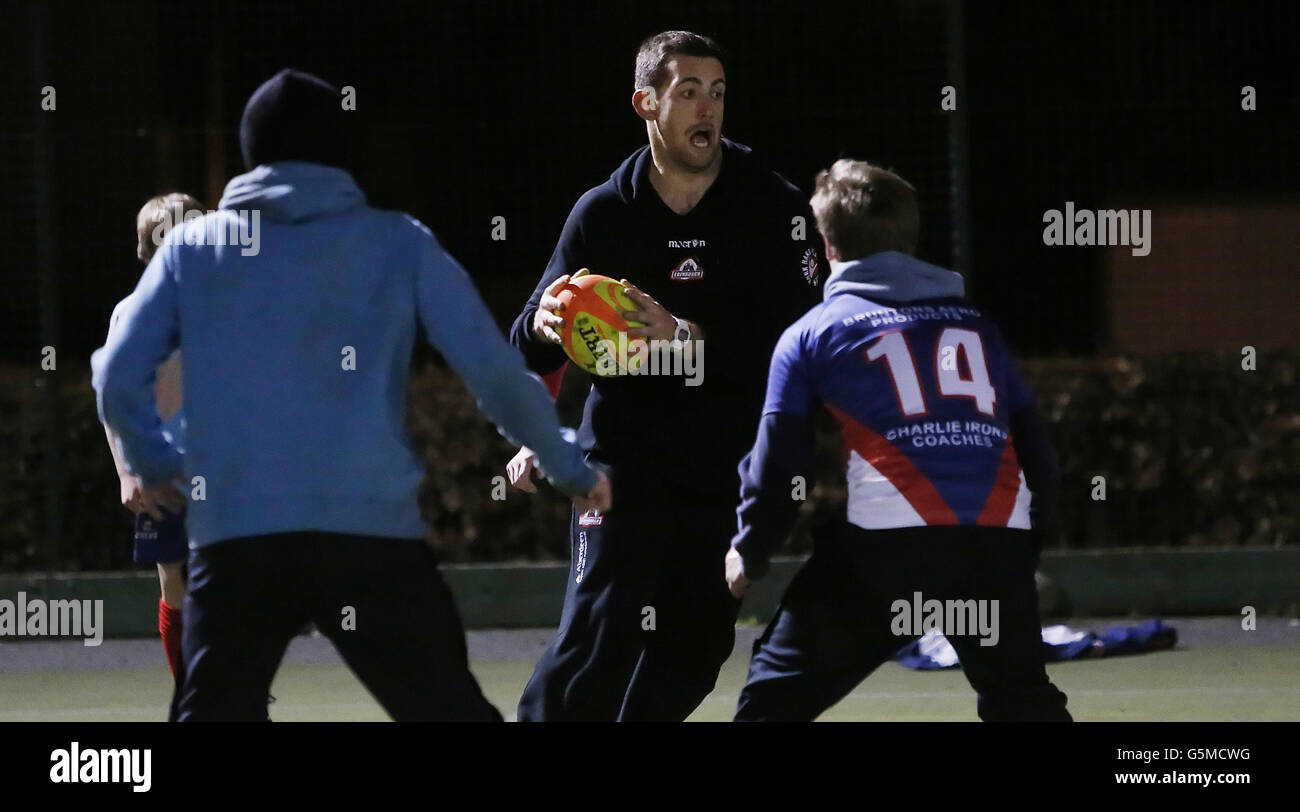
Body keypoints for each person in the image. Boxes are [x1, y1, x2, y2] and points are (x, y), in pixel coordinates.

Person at [92, 68, 609, 722]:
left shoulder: (193, 248)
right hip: (370, 538)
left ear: (253, 153)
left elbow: (116, 371)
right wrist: (567, 464)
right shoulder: (399, 242)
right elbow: (498, 374)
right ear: (340, 149)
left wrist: (154, 460)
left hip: (237, 538)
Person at [507, 31, 823, 721]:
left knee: (692, 651)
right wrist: (545, 326)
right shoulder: (602, 212)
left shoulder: (775, 209)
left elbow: (798, 350)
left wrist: (686, 338)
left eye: (716, 93)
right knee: (596, 639)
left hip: (727, 469)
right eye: (687, 93)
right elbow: (529, 342)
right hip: (621, 464)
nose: (707, 108)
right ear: (645, 103)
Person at [725, 159, 1072, 722]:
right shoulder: (979, 329)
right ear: (910, 242)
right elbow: (1040, 462)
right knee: (1023, 703)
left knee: (773, 699)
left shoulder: (812, 334)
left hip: (887, 553)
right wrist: (1013, 557)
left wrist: (749, 549)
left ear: (829, 247)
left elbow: (782, 465)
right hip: (994, 547)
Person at [102, 192, 202, 685]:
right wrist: (127, 472)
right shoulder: (131, 314)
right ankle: (194, 696)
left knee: (232, 585)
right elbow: (112, 399)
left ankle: (234, 691)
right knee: (175, 584)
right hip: (162, 479)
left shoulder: (225, 310)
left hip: (222, 476)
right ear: (146, 253)